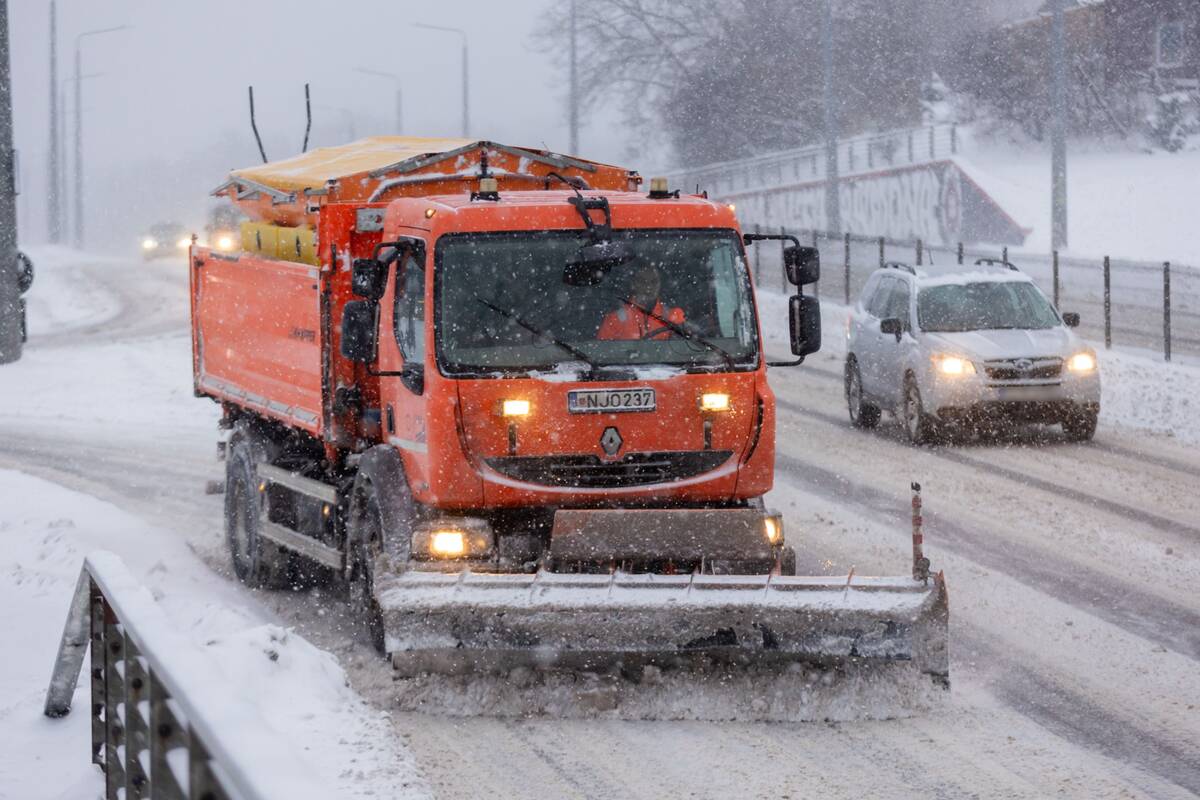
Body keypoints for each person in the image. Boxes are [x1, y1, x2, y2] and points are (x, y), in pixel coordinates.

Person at [597, 264, 685, 340]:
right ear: (633, 284)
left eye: (653, 281)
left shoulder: (674, 317)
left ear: (660, 284)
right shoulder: (615, 320)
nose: (648, 286)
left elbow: (685, 351)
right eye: (643, 281)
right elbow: (602, 355)